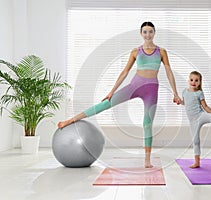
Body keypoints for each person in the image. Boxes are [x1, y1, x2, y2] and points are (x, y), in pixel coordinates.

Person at [58, 22, 181, 168]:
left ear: (154, 33)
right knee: (105, 104)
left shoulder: (161, 52)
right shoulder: (136, 51)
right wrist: (111, 91)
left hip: (151, 90)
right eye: (145, 32)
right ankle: (70, 121)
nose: (148, 35)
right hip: (135, 86)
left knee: (147, 124)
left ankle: (147, 160)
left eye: (150, 32)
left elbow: (169, 72)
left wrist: (175, 93)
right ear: (141, 33)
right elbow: (125, 72)